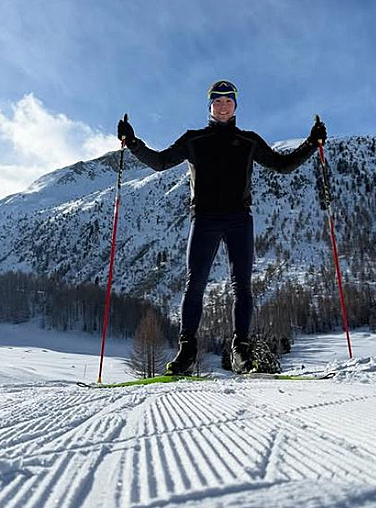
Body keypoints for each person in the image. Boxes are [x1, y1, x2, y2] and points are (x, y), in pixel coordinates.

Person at [117, 80, 326, 375]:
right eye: (218, 101)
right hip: (204, 219)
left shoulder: (249, 141)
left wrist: (310, 143)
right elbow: (161, 162)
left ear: (235, 106)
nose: (223, 105)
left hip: (239, 219)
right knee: (196, 283)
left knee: (242, 285)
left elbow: (283, 165)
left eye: (229, 101)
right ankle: (187, 350)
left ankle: (241, 350)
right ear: (210, 106)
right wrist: (133, 142)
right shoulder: (194, 139)